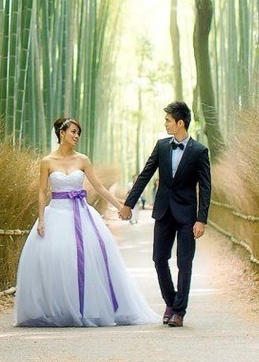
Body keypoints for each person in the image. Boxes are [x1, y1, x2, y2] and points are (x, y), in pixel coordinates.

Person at [14, 116, 159, 327]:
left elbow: (99, 187)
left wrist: (121, 206)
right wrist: (42, 219)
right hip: (56, 212)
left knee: (87, 257)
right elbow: (41, 192)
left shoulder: (83, 160)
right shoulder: (47, 162)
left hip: (81, 214)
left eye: (78, 133)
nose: (76, 136)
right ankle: (58, 308)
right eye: (73, 132)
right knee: (56, 258)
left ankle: (86, 308)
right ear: (62, 133)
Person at [119, 101, 211, 328]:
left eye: (168, 120)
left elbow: (206, 187)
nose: (166, 124)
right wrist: (128, 204)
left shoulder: (199, 151)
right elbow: (145, 175)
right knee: (159, 259)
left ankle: (179, 311)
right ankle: (171, 302)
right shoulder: (161, 146)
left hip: (187, 215)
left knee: (184, 262)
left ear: (181, 123)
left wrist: (201, 219)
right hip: (163, 212)